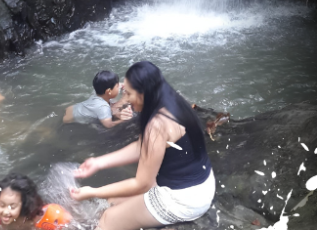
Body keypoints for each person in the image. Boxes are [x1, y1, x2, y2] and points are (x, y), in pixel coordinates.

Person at [70, 61, 216, 230]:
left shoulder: (159, 124)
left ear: (144, 93)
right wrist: (98, 162)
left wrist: (93, 191)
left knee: (107, 219)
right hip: (200, 185)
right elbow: (142, 147)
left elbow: (142, 184)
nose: (127, 100)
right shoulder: (172, 101)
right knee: (110, 202)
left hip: (185, 200)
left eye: (129, 94)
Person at [0, 173, 70, 230]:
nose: (6, 212)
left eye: (12, 207)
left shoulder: (35, 218)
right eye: (2, 205)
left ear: (23, 206)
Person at [64, 70, 134, 128]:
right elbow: (108, 125)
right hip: (69, 120)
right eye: (117, 86)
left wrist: (124, 86)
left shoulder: (96, 92)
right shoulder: (103, 107)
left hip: (71, 109)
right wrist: (122, 120)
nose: (119, 87)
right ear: (109, 91)